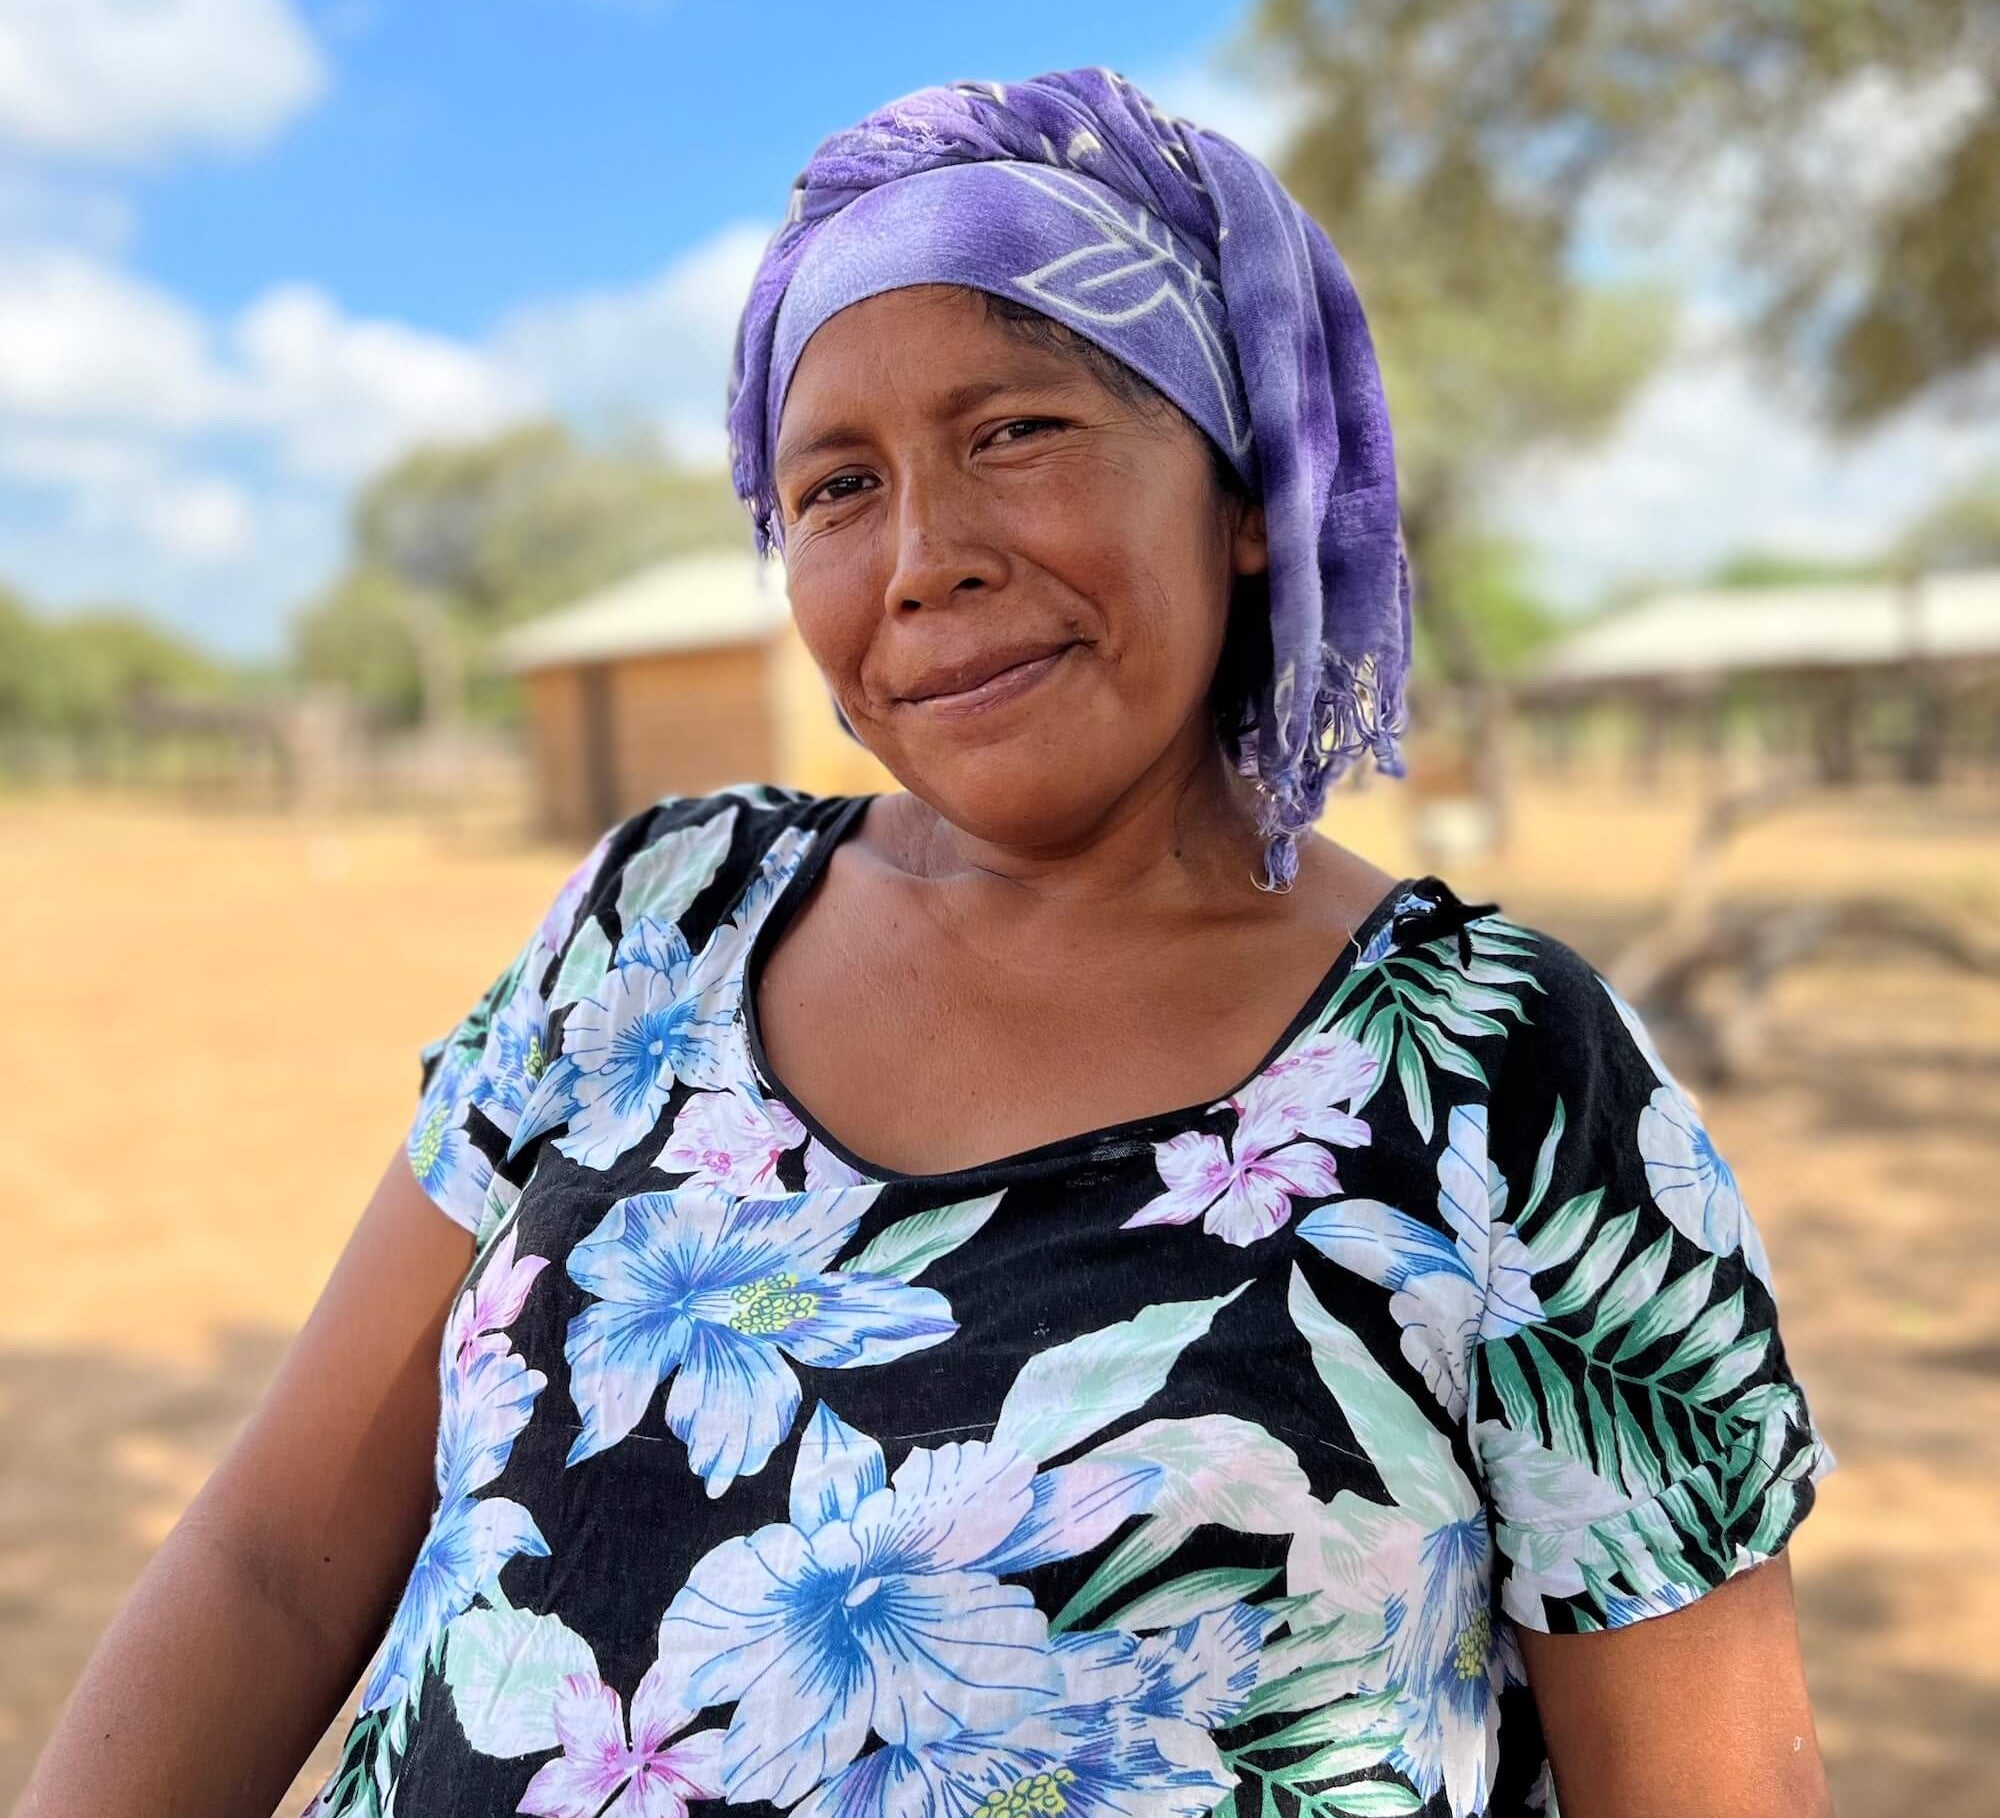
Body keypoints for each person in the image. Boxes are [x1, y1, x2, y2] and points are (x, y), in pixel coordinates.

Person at [17, 68, 1834, 1818]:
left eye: (1017, 428)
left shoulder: (1495, 1072)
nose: (923, 555)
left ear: (1245, 491)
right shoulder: (656, 918)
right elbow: (270, 1560)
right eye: (834, 486)